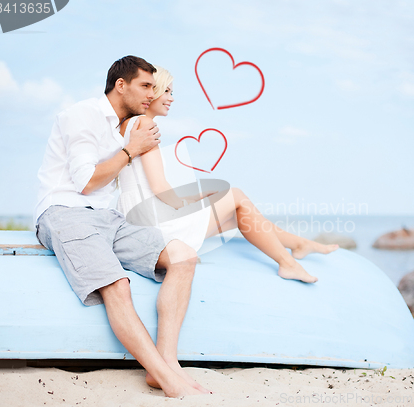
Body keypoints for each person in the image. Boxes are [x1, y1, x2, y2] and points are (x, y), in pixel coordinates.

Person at [35, 56, 209, 398]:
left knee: (184, 257)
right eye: (145, 86)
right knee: (118, 286)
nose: (152, 93)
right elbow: (86, 182)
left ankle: (167, 365)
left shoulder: (126, 125)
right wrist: (131, 150)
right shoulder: (82, 115)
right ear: (120, 85)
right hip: (66, 212)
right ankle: (168, 380)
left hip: (108, 219)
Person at [117, 66, 340, 288]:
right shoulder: (146, 124)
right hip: (153, 223)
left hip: (137, 218)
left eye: (171, 93)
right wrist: (189, 202)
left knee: (237, 218)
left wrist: (196, 197)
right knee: (237, 196)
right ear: (151, 91)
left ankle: (300, 243)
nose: (171, 98)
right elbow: (158, 188)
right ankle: (287, 263)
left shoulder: (126, 125)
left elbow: (141, 183)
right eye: (166, 91)